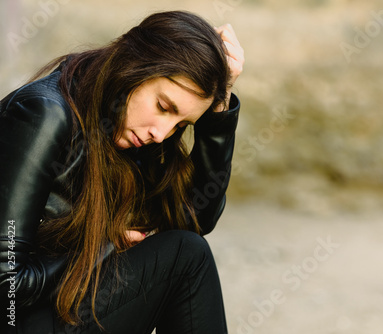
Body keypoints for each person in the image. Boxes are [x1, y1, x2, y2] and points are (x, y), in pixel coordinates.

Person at [0, 10, 244, 334]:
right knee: (188, 256)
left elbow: (195, 219)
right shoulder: (45, 115)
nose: (162, 132)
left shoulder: (131, 132)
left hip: (55, 308)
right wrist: (103, 247)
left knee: (187, 254)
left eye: (181, 125)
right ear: (135, 68)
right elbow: (7, 287)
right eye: (163, 106)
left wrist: (220, 110)